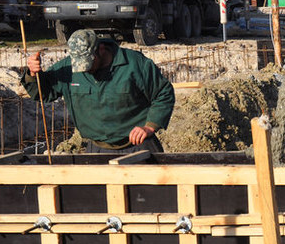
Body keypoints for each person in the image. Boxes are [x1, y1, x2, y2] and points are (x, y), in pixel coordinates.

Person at [23, 29, 175, 153]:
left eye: (89, 63)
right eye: (80, 65)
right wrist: (33, 74)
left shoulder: (134, 64)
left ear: (101, 49)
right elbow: (42, 93)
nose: (85, 69)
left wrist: (150, 126)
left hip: (139, 146)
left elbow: (163, 93)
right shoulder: (68, 67)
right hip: (97, 149)